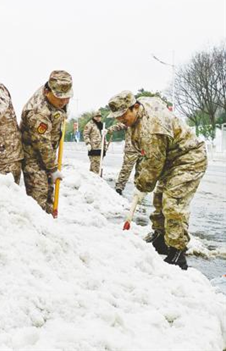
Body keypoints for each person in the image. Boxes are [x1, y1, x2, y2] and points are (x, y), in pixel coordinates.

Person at [107, 90, 207, 270]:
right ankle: (161, 237)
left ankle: (177, 252)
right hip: (170, 158)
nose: (120, 120)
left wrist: (141, 185)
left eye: (123, 115)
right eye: (117, 117)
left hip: (188, 157)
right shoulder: (142, 106)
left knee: (172, 202)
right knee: (159, 198)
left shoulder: (152, 128)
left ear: (135, 107)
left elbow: (153, 164)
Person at [20, 70, 73, 214]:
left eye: (67, 98)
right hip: (34, 157)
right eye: (60, 98)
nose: (64, 102)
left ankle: (50, 222)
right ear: (47, 91)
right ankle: (38, 231)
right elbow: (43, 144)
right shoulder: (37, 112)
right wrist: (53, 169)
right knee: (39, 199)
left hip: (47, 155)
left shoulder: (56, 95)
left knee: (50, 194)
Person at [105, 122, 138, 195]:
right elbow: (119, 125)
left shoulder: (146, 120)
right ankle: (119, 187)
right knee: (126, 169)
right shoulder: (130, 119)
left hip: (143, 150)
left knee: (141, 171)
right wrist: (109, 130)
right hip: (131, 149)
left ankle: (139, 190)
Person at [83, 110, 107, 174]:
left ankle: (93, 180)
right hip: (93, 148)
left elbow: (103, 136)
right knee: (95, 166)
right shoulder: (90, 124)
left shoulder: (101, 125)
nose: (98, 118)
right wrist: (88, 143)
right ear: (93, 117)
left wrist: (105, 144)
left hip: (101, 148)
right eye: (97, 116)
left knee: (98, 165)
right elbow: (85, 134)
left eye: (99, 116)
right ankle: (96, 179)